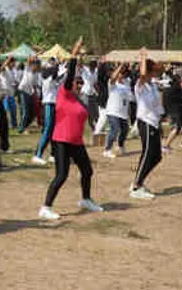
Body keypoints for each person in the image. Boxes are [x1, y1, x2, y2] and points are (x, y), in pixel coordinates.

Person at [38, 37, 104, 220]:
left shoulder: (77, 99)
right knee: (61, 175)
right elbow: (70, 75)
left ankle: (86, 199)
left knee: (87, 171)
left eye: (81, 83)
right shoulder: (64, 94)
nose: (80, 85)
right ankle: (46, 207)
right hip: (61, 140)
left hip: (76, 141)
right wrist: (74, 54)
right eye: (77, 82)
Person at [129, 48, 165, 200]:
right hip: (145, 122)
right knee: (147, 152)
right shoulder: (140, 85)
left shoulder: (153, 86)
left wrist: (161, 122)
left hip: (154, 123)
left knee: (157, 156)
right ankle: (136, 186)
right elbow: (142, 74)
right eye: (154, 71)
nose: (157, 73)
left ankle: (139, 181)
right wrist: (143, 57)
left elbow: (157, 106)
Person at [32, 62, 59, 165]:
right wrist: (57, 65)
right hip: (48, 105)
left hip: (53, 106)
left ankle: (53, 154)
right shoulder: (48, 80)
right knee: (47, 131)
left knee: (54, 132)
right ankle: (37, 155)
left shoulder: (51, 80)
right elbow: (56, 72)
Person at [102, 63, 131, 158]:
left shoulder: (127, 83)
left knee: (125, 130)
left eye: (124, 74)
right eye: (121, 74)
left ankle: (120, 145)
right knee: (115, 130)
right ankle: (107, 149)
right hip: (113, 111)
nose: (122, 75)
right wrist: (120, 66)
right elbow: (113, 77)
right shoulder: (113, 84)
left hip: (123, 112)